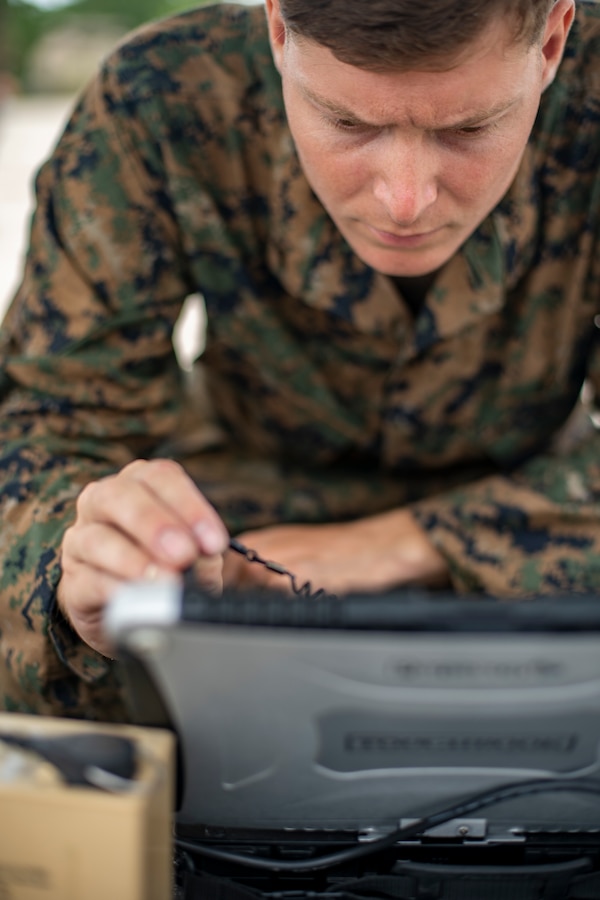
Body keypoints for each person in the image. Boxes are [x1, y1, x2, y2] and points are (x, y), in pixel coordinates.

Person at [0, 0, 597, 720]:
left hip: (548, 527)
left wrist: (408, 544)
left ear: (553, 42)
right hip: (233, 548)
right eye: (347, 122)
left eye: (469, 127)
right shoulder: (165, 95)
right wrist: (78, 574)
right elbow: (49, 427)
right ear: (278, 30)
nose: (404, 201)